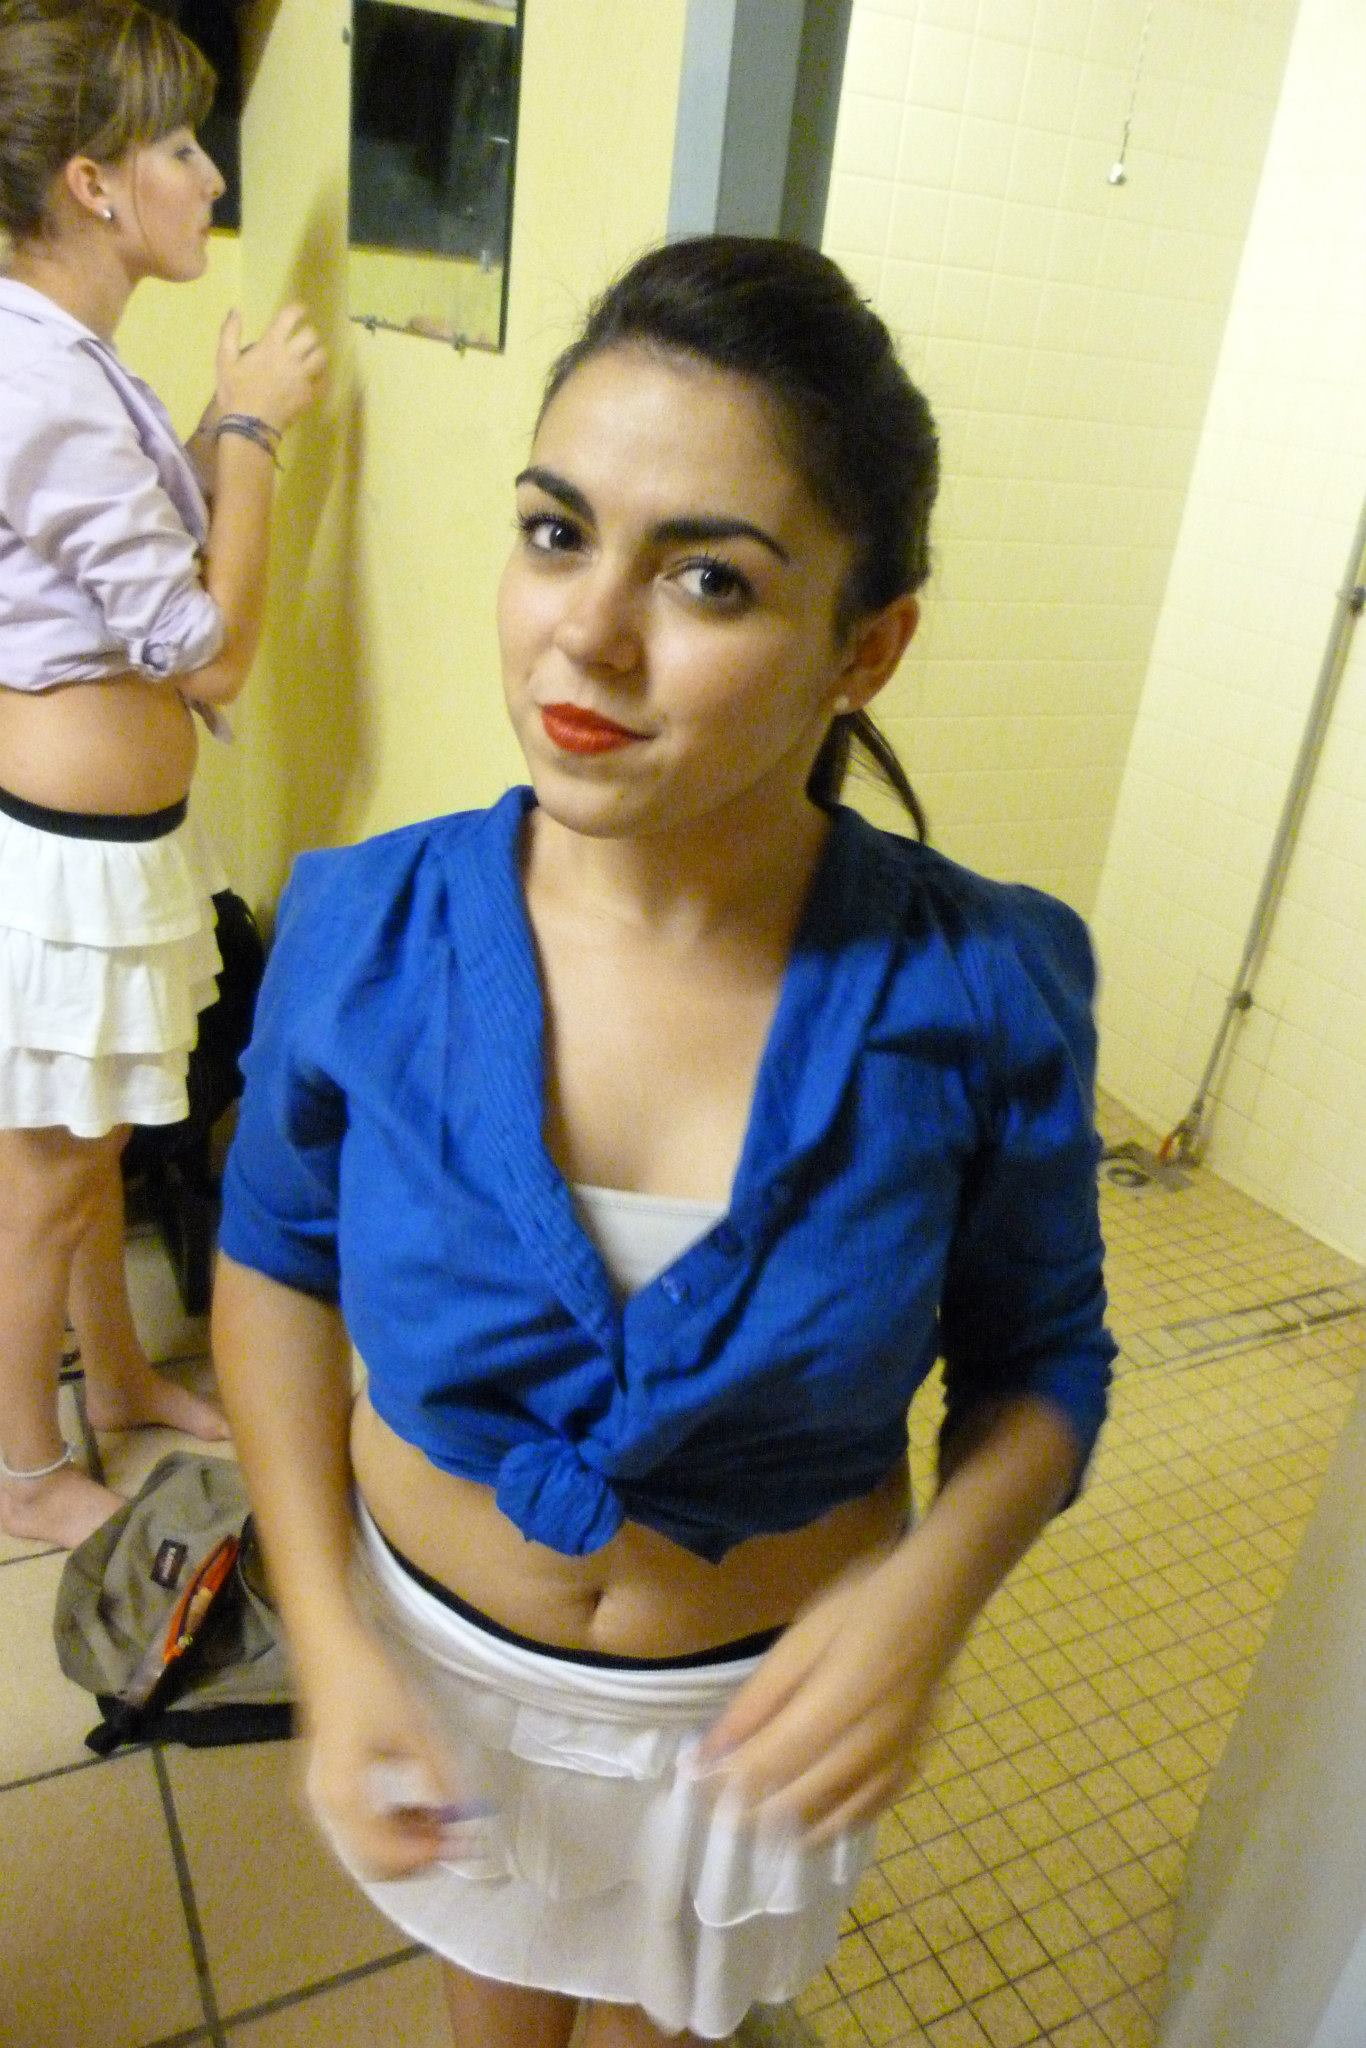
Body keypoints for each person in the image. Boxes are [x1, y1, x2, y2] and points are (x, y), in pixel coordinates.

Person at [211, 236, 1116, 2048]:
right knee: (494, 2008)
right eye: (555, 533)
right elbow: (273, 1269)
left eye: (707, 577)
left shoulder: (981, 985)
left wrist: (927, 1599)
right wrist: (325, 1630)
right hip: (437, 1663)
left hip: (747, 1717)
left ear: (865, 648)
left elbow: (1043, 1364)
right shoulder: (364, 931)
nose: (588, 633)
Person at [0, 0, 325, 1550]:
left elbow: (134, 547)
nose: (209, 178)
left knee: (97, 1143)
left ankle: (119, 1387)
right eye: (182, 148)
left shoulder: (60, 356)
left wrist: (209, 433)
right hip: (68, 854)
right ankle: (20, 1468)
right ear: (92, 184)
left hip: (102, 845)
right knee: (49, 1179)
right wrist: (250, 427)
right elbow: (207, 652)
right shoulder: (42, 377)